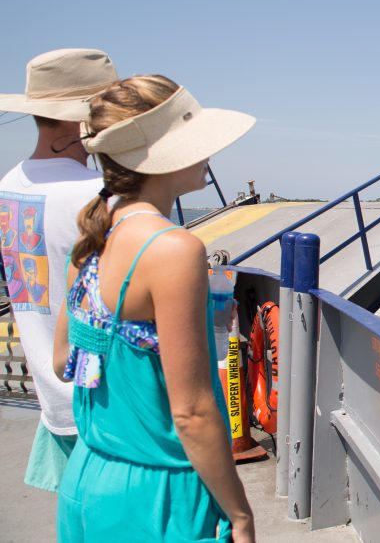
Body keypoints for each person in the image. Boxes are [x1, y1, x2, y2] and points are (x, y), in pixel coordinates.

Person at [51, 75, 256, 542]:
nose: (209, 153)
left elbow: (65, 362)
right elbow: (192, 412)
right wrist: (240, 514)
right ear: (162, 156)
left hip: (89, 479)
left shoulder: (93, 239)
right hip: (158, 497)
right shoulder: (173, 249)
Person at [0, 48, 118, 492]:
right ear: (84, 120)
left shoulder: (8, 185)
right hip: (106, 403)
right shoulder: (96, 193)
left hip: (53, 399)